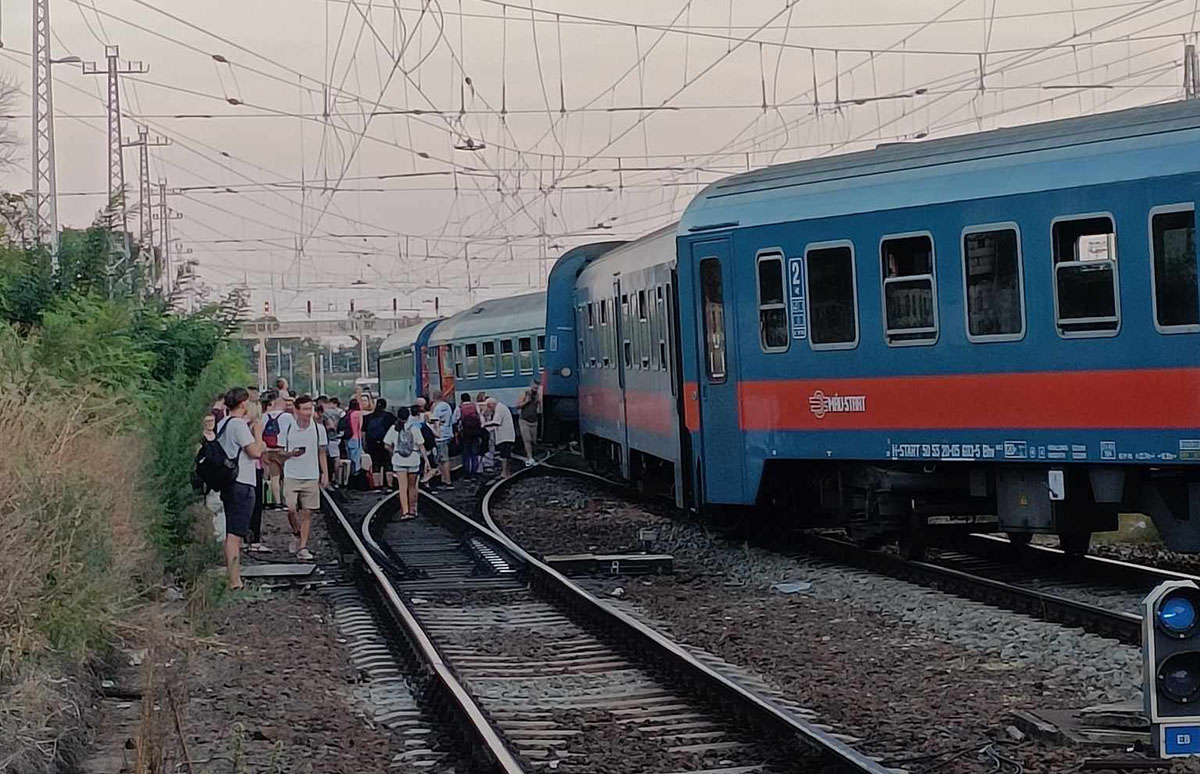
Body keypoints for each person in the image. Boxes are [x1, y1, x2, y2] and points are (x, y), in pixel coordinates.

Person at [215, 387, 266, 590]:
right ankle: (234, 580)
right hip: (241, 482)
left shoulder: (223, 423)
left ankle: (234, 576)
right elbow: (254, 452)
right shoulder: (238, 425)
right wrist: (259, 434)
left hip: (228, 482)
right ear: (243, 403)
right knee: (234, 534)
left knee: (232, 532)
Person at [280, 395, 328, 561]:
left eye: (311, 409)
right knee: (291, 509)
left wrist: (325, 473)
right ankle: (295, 531)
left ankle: (303, 547)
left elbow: (322, 452)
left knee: (308, 512)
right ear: (297, 410)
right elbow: (279, 453)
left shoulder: (318, 429)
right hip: (291, 474)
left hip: (311, 475)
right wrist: (290, 454)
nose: (309, 413)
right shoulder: (288, 428)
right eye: (305, 409)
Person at [384, 406, 422, 520]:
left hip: (399, 460)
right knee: (412, 486)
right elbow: (421, 444)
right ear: (408, 416)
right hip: (413, 459)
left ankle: (405, 511)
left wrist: (394, 452)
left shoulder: (394, 428)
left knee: (402, 487)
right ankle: (412, 510)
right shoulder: (414, 428)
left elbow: (386, 444)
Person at [245, 386, 269, 554]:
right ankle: (254, 540)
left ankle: (244, 538)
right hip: (254, 468)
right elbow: (258, 450)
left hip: (242, 471)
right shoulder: (255, 425)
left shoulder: (238, 424)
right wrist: (261, 438)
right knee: (256, 505)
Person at [261, 390, 290, 509]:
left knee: (274, 477)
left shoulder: (264, 416)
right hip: (284, 450)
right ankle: (286, 501)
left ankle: (277, 502)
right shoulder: (287, 417)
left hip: (269, 450)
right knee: (286, 477)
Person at [364, 398, 396, 489]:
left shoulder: (369, 417)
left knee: (375, 464)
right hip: (386, 443)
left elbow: (364, 432)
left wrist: (364, 444)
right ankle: (389, 485)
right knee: (388, 464)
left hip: (372, 444)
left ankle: (376, 486)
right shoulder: (390, 416)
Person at [485, 397, 516, 478]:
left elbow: (496, 422)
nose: (489, 409)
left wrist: (484, 425)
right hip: (507, 435)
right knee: (506, 454)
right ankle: (507, 472)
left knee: (504, 455)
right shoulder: (501, 407)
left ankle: (504, 472)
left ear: (492, 404)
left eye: (489, 406)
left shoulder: (499, 409)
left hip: (505, 436)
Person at [429, 390, 455, 489]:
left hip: (441, 436)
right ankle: (444, 480)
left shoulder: (439, 407)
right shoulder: (447, 406)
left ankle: (447, 482)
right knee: (440, 459)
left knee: (443, 459)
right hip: (444, 434)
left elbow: (434, 419)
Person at [456, 392, 483, 478]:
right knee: (475, 453)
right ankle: (475, 471)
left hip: (465, 433)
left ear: (461, 399)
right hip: (475, 432)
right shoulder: (475, 406)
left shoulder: (459, 408)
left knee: (466, 453)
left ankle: (467, 473)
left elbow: (455, 419)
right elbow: (479, 416)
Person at [322, 396, 346, 487]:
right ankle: (336, 479)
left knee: (332, 459)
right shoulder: (340, 412)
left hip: (330, 438)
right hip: (338, 437)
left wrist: (327, 428)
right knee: (335, 458)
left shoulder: (326, 413)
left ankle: (331, 478)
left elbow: (331, 426)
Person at [516, 382, 540, 466]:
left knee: (534, 440)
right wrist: (526, 401)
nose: (535, 389)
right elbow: (518, 405)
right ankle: (529, 457)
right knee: (527, 439)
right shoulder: (525, 394)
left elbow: (538, 406)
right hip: (524, 420)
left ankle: (533, 455)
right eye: (534, 387)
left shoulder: (537, 395)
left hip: (534, 420)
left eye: (537, 388)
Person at [346, 398, 365, 473]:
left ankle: (349, 473)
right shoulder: (358, 413)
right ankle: (356, 474)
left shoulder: (348, 413)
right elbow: (360, 426)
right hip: (357, 438)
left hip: (348, 438)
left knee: (350, 457)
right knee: (356, 458)